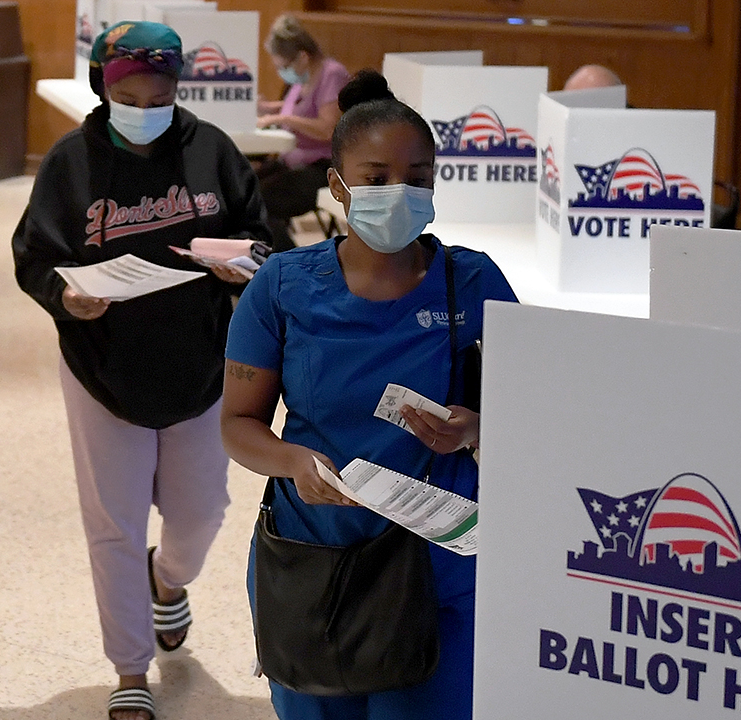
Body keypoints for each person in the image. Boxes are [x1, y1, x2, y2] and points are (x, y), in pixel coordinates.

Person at [221, 69, 519, 720]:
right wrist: (293, 463)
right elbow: (238, 424)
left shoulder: (472, 282)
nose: (399, 193)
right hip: (314, 562)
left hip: (437, 568)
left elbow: (536, 412)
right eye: (377, 178)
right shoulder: (283, 287)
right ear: (337, 186)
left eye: (417, 178)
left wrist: (475, 427)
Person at [11, 20, 269, 720]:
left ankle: (168, 580)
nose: (148, 103)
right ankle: (129, 665)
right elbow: (34, 258)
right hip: (102, 369)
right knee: (114, 525)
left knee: (202, 512)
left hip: (201, 367)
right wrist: (67, 298)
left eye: (161, 91)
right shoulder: (70, 162)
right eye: (133, 91)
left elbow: (262, 240)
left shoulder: (213, 152)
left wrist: (243, 264)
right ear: (105, 84)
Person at [253, 14, 351, 252]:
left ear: (302, 57)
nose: (282, 72)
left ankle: (287, 261)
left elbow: (327, 128)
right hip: (292, 162)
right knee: (244, 189)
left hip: (323, 169)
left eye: (284, 67)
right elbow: (301, 108)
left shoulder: (331, 74)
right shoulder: (303, 78)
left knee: (261, 203)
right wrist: (270, 108)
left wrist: (282, 118)